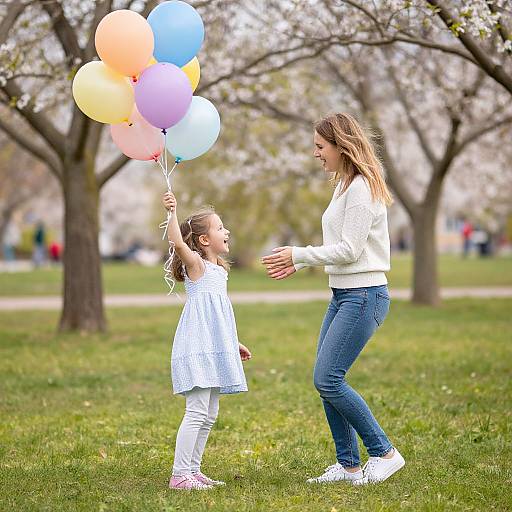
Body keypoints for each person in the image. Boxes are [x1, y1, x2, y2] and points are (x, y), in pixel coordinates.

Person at [262, 113, 405, 485]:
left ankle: (384, 453)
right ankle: (348, 465)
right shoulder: (345, 185)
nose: (315, 153)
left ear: (342, 146)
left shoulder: (359, 189)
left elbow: (349, 249)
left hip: (363, 295)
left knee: (328, 379)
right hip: (343, 295)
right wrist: (300, 260)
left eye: (320, 146)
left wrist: (299, 256)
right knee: (326, 378)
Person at [162, 191, 252, 490]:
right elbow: (176, 241)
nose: (226, 231)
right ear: (203, 240)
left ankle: (193, 470)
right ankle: (179, 475)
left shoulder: (219, 271)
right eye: (219, 228)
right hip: (198, 348)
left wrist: (233, 342)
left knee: (210, 413)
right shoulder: (197, 266)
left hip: (215, 346)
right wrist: (173, 212)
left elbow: (220, 315)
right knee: (197, 411)